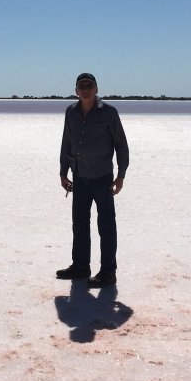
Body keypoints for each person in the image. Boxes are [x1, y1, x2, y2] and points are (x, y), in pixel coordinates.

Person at [57, 73, 129, 288]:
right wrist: (63, 172)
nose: (86, 89)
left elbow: (121, 145)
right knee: (79, 224)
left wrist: (121, 175)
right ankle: (80, 266)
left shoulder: (108, 113)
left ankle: (108, 272)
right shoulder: (71, 112)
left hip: (102, 178)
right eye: (82, 86)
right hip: (79, 177)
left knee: (106, 226)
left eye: (90, 85)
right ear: (76, 90)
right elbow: (66, 143)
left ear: (96, 89)